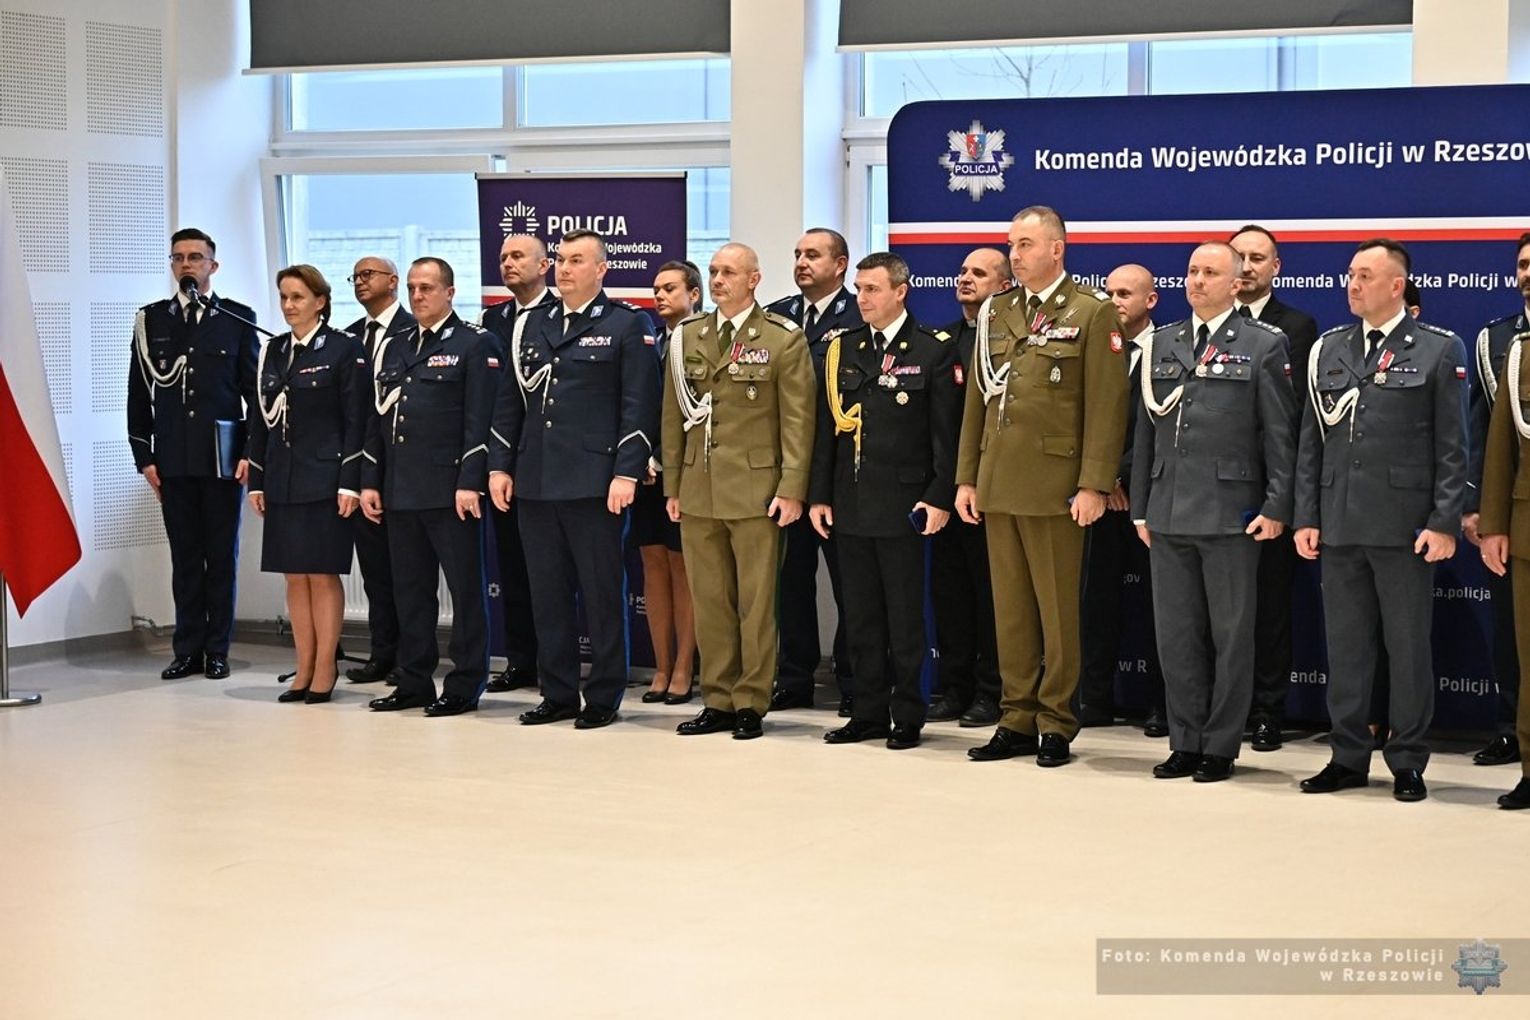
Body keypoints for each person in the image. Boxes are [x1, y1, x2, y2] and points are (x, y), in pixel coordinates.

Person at [1294, 239, 1468, 803]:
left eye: (1365, 275)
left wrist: (1443, 521)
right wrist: (1307, 515)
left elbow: (1453, 447)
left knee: (1408, 649)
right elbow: (1311, 443)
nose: (1353, 284)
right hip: (1340, 524)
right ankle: (1347, 756)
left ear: (1397, 285)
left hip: (1404, 527)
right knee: (1346, 649)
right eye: (1350, 274)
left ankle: (1407, 760)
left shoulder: (1437, 348)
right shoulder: (1330, 348)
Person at [956, 205, 1129, 768]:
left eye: (1026, 244)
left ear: (1057, 248)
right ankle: (1015, 717)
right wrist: (967, 477)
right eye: (1012, 244)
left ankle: (1055, 720)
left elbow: (1106, 406)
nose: (1015, 254)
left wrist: (1094, 484)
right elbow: (978, 400)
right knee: (1010, 611)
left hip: (1057, 485)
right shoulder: (998, 311)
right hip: (999, 479)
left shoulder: (1091, 311)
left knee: (1057, 613)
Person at [1131, 243, 1298, 782]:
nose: (1198, 280)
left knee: (1231, 637)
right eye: (1192, 271)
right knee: (1175, 637)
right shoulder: (1162, 342)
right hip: (1168, 510)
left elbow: (1279, 435)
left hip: (1231, 512)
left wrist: (1277, 505)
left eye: (1210, 272)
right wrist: (1140, 507)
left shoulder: (1263, 343)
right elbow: (1145, 432)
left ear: (1236, 282)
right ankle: (1185, 740)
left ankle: (1221, 745)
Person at [489, 230, 660, 729]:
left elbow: (639, 405)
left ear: (601, 269)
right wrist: (500, 465)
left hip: (594, 483)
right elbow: (510, 401)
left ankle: (603, 696)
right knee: (547, 594)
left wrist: (627, 472)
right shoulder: (533, 323)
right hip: (536, 479)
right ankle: (558, 693)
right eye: (561, 259)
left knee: (602, 593)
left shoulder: (625, 323)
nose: (564, 268)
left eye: (577, 260)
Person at [663, 242, 815, 740]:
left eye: (729, 272)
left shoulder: (781, 338)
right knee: (710, 601)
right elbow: (673, 417)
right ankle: (719, 698)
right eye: (713, 271)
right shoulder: (689, 336)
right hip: (699, 488)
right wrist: (673, 484)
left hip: (756, 491)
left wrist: (792, 487)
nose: (718, 280)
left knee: (756, 602)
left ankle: (751, 700)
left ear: (754, 279)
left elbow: (798, 421)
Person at [810, 252, 961, 750]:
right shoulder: (843, 348)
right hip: (851, 501)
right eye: (859, 289)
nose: (863, 298)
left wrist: (938, 496)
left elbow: (947, 435)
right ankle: (868, 711)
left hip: (905, 505)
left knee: (905, 618)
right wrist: (819, 495)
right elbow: (827, 431)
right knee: (860, 617)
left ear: (900, 291)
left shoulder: (932, 349)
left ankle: (908, 714)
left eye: (873, 289)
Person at [360, 257, 496, 717]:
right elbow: (378, 420)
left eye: (427, 288)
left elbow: (480, 420)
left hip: (450, 490)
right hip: (401, 488)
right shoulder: (396, 345)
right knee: (410, 592)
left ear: (449, 292)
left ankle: (465, 684)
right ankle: (413, 681)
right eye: (413, 288)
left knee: (465, 592)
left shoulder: (473, 343)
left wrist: (470, 482)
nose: (417, 296)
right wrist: (371, 480)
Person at [127, 227, 258, 681]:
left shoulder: (237, 319)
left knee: (220, 557)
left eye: (195, 258)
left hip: (222, 460)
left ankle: (217, 649)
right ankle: (187, 650)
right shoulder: (151, 321)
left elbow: (254, 394)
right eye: (179, 258)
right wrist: (145, 458)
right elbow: (138, 395)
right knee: (185, 559)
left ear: (212, 266)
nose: (187, 265)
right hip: (174, 461)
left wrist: (250, 452)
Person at [246, 265, 367, 703]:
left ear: (320, 301)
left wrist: (350, 482)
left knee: (321, 572)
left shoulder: (343, 348)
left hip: (326, 478)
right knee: (294, 575)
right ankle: (303, 664)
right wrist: (257, 479)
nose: (289, 305)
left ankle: (325, 666)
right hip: (283, 477)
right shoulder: (273, 350)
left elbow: (357, 420)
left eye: (297, 297)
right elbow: (259, 418)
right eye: (284, 297)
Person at [1229, 225, 1321, 753]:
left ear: (1275, 267)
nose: (1246, 267)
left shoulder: (1296, 327)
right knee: (1216, 611)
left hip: (1268, 490)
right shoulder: (1204, 327)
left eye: (1257, 258)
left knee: (1268, 609)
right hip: (1212, 490)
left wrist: (1283, 497)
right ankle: (1221, 710)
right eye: (1238, 256)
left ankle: (1267, 711)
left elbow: (1296, 416)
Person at [765, 228, 863, 714]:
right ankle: (794, 677)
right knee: (790, 582)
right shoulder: (776, 316)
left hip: (839, 471)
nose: (802, 262)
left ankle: (854, 679)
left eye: (813, 255)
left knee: (851, 584)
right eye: (797, 254)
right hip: (786, 471)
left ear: (840, 264)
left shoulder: (858, 315)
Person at [1078, 263, 1168, 737]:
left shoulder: (1169, 348)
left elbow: (1160, 426)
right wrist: (1102, 479)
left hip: (1149, 496)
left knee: (1160, 606)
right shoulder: (1092, 347)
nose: (1114, 301)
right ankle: (1092, 698)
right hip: (1098, 495)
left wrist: (1125, 477)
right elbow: (1080, 417)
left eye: (1125, 293)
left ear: (1150, 300)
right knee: (1095, 601)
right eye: (1108, 292)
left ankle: (1161, 704)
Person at [927, 247, 1008, 728]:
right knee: (951, 594)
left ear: (1004, 285)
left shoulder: (1009, 340)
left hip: (995, 488)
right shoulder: (943, 342)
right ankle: (955, 688)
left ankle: (993, 691)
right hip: (946, 490)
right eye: (962, 271)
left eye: (978, 273)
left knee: (992, 596)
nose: (965, 278)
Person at [1463, 233, 1530, 767]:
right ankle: (1512, 729)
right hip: (1512, 510)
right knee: (1512, 632)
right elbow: (1484, 431)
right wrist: (1479, 510)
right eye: (1524, 265)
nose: (1529, 273)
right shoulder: (1496, 341)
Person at [478, 233, 556, 694]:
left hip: (548, 458)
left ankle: (553, 663)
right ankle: (521, 660)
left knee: (551, 573)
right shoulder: (493, 319)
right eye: (503, 256)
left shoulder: (558, 314)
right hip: (505, 459)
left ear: (544, 265)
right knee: (511, 565)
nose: (508, 263)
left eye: (518, 256)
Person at [341, 256, 415, 685]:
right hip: (360, 469)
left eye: (368, 275)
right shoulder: (349, 337)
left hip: (403, 466)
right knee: (374, 571)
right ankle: (382, 653)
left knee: (408, 573)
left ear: (393, 280)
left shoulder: (413, 329)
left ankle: (410, 657)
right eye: (355, 276)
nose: (360, 282)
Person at [635, 260, 702, 705]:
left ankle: (684, 667)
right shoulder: (650, 341)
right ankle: (660, 666)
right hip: (644, 473)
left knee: (683, 567)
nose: (660, 295)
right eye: (656, 289)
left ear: (694, 293)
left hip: (686, 470)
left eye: (670, 288)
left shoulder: (705, 339)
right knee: (652, 562)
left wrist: (664, 457)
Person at [1471, 316, 1530, 810]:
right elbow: (1499, 446)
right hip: (1526, 527)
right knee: (1527, 658)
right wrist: (1492, 522)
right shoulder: (1518, 352)